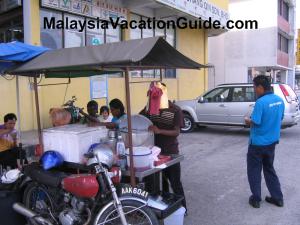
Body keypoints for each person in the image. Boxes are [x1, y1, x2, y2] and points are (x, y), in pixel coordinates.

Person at [141, 82, 187, 212]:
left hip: (170, 152)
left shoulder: (175, 110)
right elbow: (139, 118)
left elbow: (176, 132)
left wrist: (159, 131)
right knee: (155, 184)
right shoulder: (149, 108)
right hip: (153, 153)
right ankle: (161, 210)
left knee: (175, 183)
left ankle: (183, 209)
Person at [245, 75, 284, 208]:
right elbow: (281, 117)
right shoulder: (279, 100)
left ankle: (256, 199)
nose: (254, 90)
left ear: (261, 87)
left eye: (254, 87)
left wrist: (247, 120)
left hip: (257, 144)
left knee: (254, 170)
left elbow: (255, 121)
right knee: (269, 169)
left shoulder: (261, 102)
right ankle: (278, 198)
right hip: (272, 142)